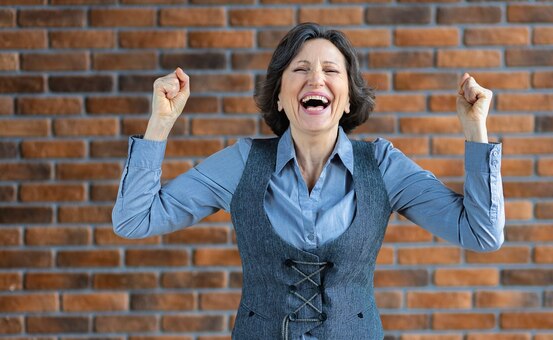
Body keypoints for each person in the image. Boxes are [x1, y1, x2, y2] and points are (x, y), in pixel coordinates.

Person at [112, 23, 504, 340]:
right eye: (300, 69)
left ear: (348, 99)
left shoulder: (382, 165)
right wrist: (160, 124)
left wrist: (476, 131)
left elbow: (482, 234)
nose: (315, 78)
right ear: (280, 97)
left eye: (331, 71)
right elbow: (135, 220)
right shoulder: (241, 162)